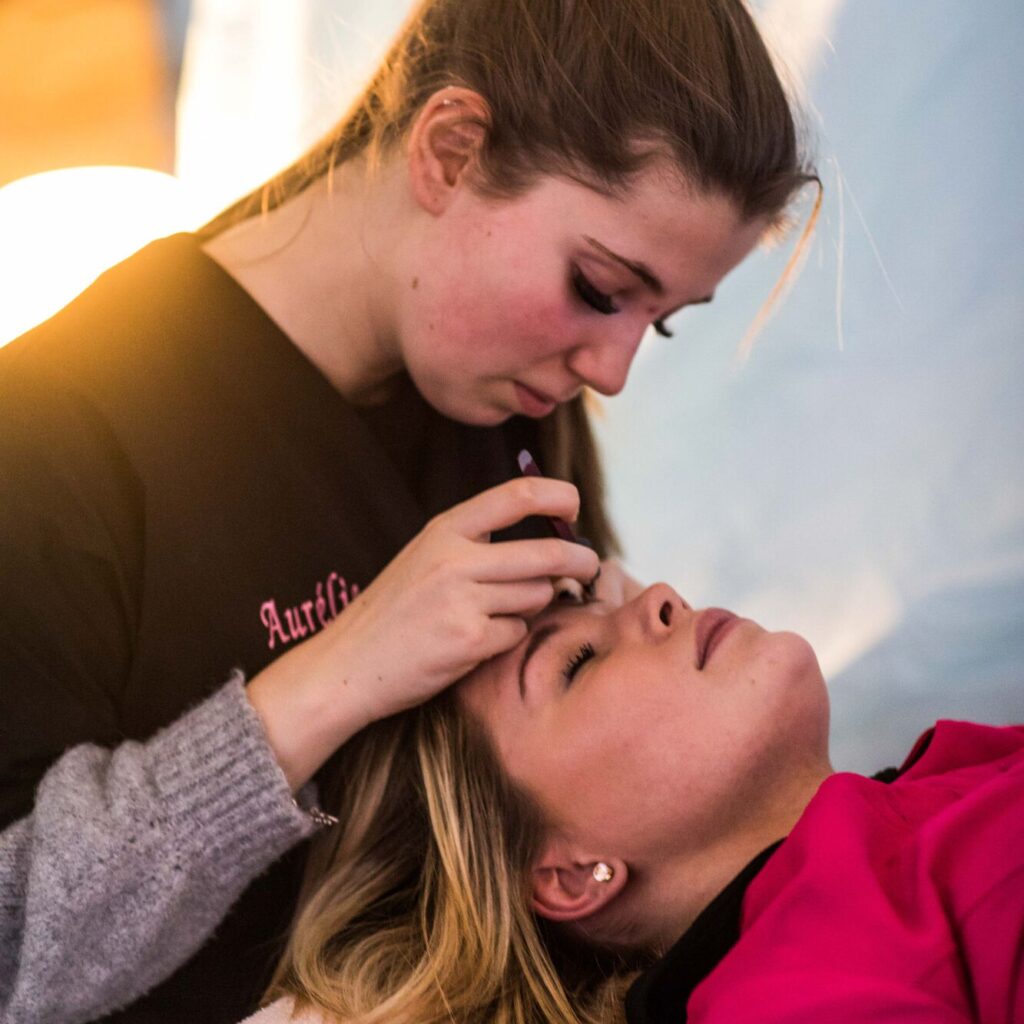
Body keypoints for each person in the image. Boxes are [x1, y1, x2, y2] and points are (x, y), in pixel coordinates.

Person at [0, 0, 816, 1020]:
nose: (608, 372)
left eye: (662, 324)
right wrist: (330, 679)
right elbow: (12, 948)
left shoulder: (507, 396)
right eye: (600, 287)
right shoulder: (51, 433)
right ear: (452, 149)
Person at [252, 585, 1023, 1024]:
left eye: (598, 601)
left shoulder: (951, 771)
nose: (656, 597)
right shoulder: (789, 996)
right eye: (578, 662)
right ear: (569, 874)